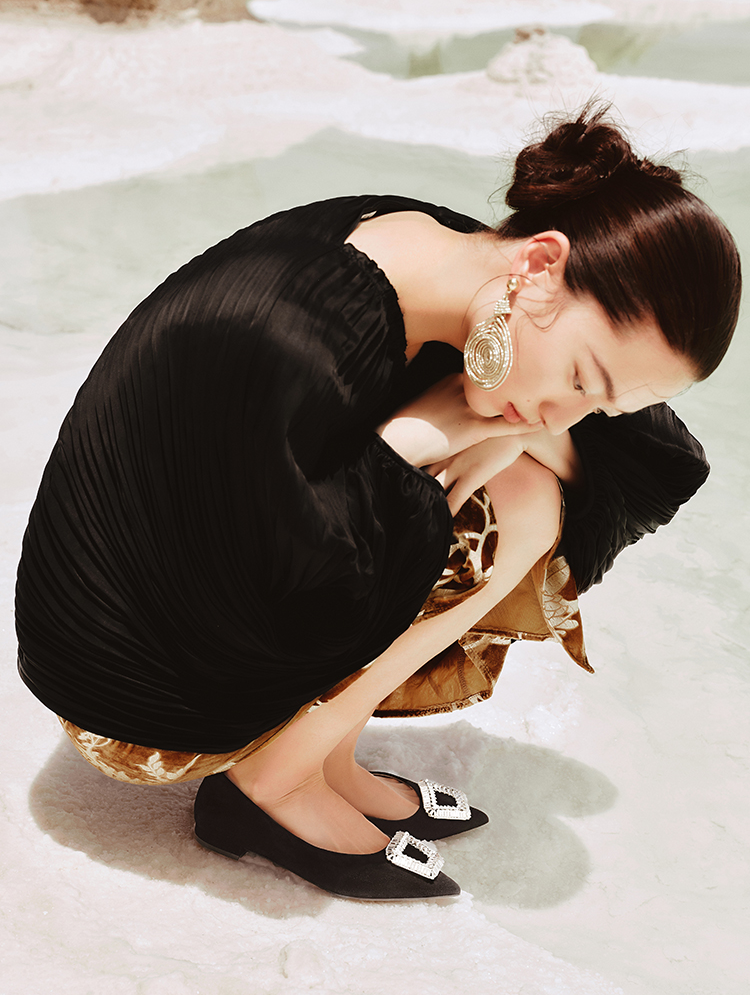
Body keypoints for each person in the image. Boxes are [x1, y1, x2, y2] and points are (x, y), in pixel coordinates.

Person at [15, 106, 741, 901]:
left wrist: (514, 429)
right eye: (578, 379)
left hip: (220, 579)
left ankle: (321, 757)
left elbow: (658, 464)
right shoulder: (293, 332)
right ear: (541, 262)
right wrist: (419, 438)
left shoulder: (463, 259)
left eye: (599, 403)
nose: (566, 413)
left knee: (525, 489)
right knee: (507, 510)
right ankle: (271, 786)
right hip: (136, 679)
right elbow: (309, 590)